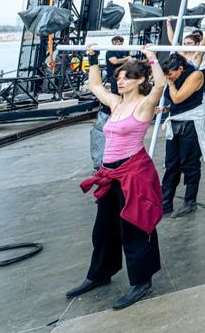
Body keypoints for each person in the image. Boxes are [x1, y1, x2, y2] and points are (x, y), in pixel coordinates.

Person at [68, 52, 166, 310]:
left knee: (134, 226)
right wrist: (92, 58)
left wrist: (153, 58)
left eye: (126, 78)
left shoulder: (144, 104)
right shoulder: (116, 104)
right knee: (104, 228)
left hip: (134, 173)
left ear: (140, 79)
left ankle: (142, 281)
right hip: (109, 174)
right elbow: (95, 85)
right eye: (119, 78)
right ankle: (100, 273)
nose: (120, 82)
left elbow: (161, 84)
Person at [158, 51, 205, 218]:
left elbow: (177, 98)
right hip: (176, 121)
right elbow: (177, 103)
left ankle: (190, 201)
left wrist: (170, 85)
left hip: (191, 125)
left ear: (180, 69)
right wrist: (167, 109)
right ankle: (165, 201)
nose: (170, 78)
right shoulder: (174, 77)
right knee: (171, 164)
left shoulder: (196, 75)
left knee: (189, 163)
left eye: (171, 75)